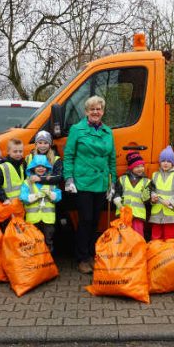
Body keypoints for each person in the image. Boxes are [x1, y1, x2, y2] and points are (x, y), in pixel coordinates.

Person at [64, 95, 117, 274]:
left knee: (95, 221)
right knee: (85, 220)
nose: (96, 112)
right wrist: (69, 178)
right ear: (86, 111)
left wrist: (113, 183)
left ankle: (91, 254)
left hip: (101, 183)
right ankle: (82, 257)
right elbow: (69, 155)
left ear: (102, 111)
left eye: (99, 109)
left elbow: (111, 159)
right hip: (83, 182)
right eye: (92, 109)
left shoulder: (108, 132)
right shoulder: (77, 130)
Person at [20, 155, 62, 252]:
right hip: (32, 220)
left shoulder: (51, 181)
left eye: (43, 166)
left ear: (47, 168)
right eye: (38, 166)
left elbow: (58, 196)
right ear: (33, 168)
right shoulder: (27, 182)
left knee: (48, 242)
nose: (41, 168)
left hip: (48, 220)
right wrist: (37, 195)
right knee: (33, 242)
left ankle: (47, 263)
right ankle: (36, 264)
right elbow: (23, 197)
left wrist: (50, 194)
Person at [149, 146, 174, 240]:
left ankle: (169, 255)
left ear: (172, 163)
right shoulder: (155, 175)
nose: (165, 163)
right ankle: (156, 254)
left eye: (169, 161)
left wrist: (171, 201)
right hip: (157, 214)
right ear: (160, 162)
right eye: (163, 160)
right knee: (155, 238)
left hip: (171, 215)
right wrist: (152, 197)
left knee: (170, 239)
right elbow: (151, 190)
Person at [112, 151, 152, 236]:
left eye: (142, 166)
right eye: (137, 167)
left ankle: (138, 249)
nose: (140, 168)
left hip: (138, 215)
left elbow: (148, 201)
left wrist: (147, 198)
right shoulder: (122, 179)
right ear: (131, 168)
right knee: (124, 235)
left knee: (138, 235)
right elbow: (117, 193)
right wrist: (118, 203)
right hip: (124, 215)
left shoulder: (147, 181)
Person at [0, 138, 25, 205]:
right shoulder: (4, 167)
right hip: (7, 206)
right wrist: (4, 199)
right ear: (8, 152)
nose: (18, 154)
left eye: (20, 151)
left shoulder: (21, 166)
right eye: (15, 151)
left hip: (19, 205)